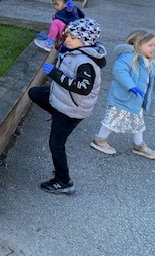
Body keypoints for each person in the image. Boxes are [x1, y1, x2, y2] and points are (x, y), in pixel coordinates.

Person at [28, 18, 106, 194]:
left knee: (56, 144)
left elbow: (83, 88)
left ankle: (63, 181)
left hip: (72, 110)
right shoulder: (75, 51)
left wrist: (56, 75)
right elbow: (60, 49)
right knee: (35, 93)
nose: (68, 40)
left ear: (86, 41)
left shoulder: (86, 63)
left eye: (73, 37)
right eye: (67, 35)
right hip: (64, 101)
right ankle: (57, 115)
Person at [90, 30, 155, 159]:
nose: (154, 48)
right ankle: (99, 140)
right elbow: (120, 72)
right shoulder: (127, 57)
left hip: (136, 101)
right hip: (122, 98)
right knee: (112, 119)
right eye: (150, 45)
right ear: (139, 45)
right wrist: (131, 86)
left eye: (154, 45)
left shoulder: (148, 61)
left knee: (138, 123)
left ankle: (139, 145)